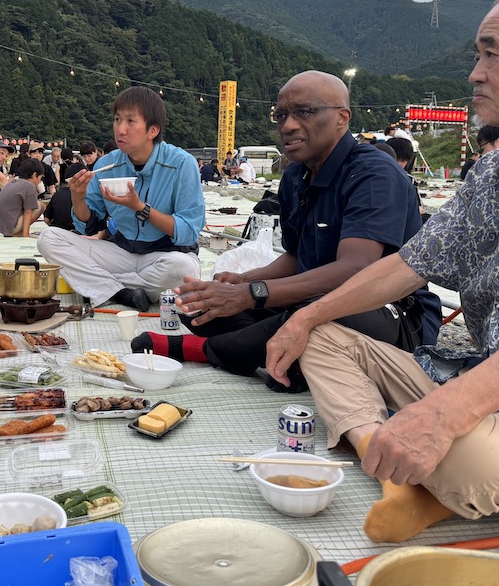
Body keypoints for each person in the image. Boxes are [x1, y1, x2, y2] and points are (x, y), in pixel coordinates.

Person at [265, 0, 499, 544]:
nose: (475, 73)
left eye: (491, 54)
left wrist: (443, 415)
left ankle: (426, 465)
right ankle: (398, 478)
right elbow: (409, 264)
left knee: (463, 455)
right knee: (323, 338)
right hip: (488, 383)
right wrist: (305, 318)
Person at [134, 71, 441, 393]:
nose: (288, 125)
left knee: (317, 315)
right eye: (281, 115)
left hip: (387, 312)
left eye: (304, 112)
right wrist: (244, 281)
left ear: (342, 117)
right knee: (201, 308)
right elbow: (296, 257)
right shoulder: (296, 177)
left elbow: (356, 269)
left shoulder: (373, 174)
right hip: (311, 296)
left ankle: (212, 350)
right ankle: (282, 354)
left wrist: (251, 293)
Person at [37, 86, 205, 310]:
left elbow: (189, 231)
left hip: (164, 255)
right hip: (121, 253)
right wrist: (77, 198)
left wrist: (141, 208)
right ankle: (123, 293)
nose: (120, 129)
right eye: (117, 119)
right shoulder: (108, 165)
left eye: (130, 121)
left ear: (152, 130)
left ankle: (104, 287)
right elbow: (90, 225)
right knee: (48, 238)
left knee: (184, 269)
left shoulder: (181, 164)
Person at [0, 157, 47, 237]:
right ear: (34, 175)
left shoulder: (14, 181)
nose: (39, 181)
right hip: (10, 227)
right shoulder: (29, 186)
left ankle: (17, 232)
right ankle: (20, 233)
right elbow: (28, 211)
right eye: (40, 178)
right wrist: (26, 235)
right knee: (40, 206)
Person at [44, 162, 88, 231]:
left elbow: (46, 219)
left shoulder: (58, 194)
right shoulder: (87, 195)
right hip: (80, 233)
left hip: (58, 232)